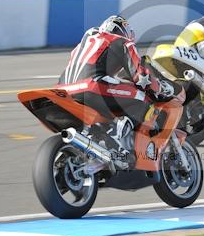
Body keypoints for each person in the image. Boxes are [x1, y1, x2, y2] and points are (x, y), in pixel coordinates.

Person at [58, 15, 174, 155]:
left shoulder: (82, 45)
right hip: (92, 87)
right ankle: (120, 140)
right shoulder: (121, 41)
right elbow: (141, 77)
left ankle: (100, 143)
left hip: (63, 90)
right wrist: (160, 88)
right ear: (124, 30)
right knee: (142, 97)